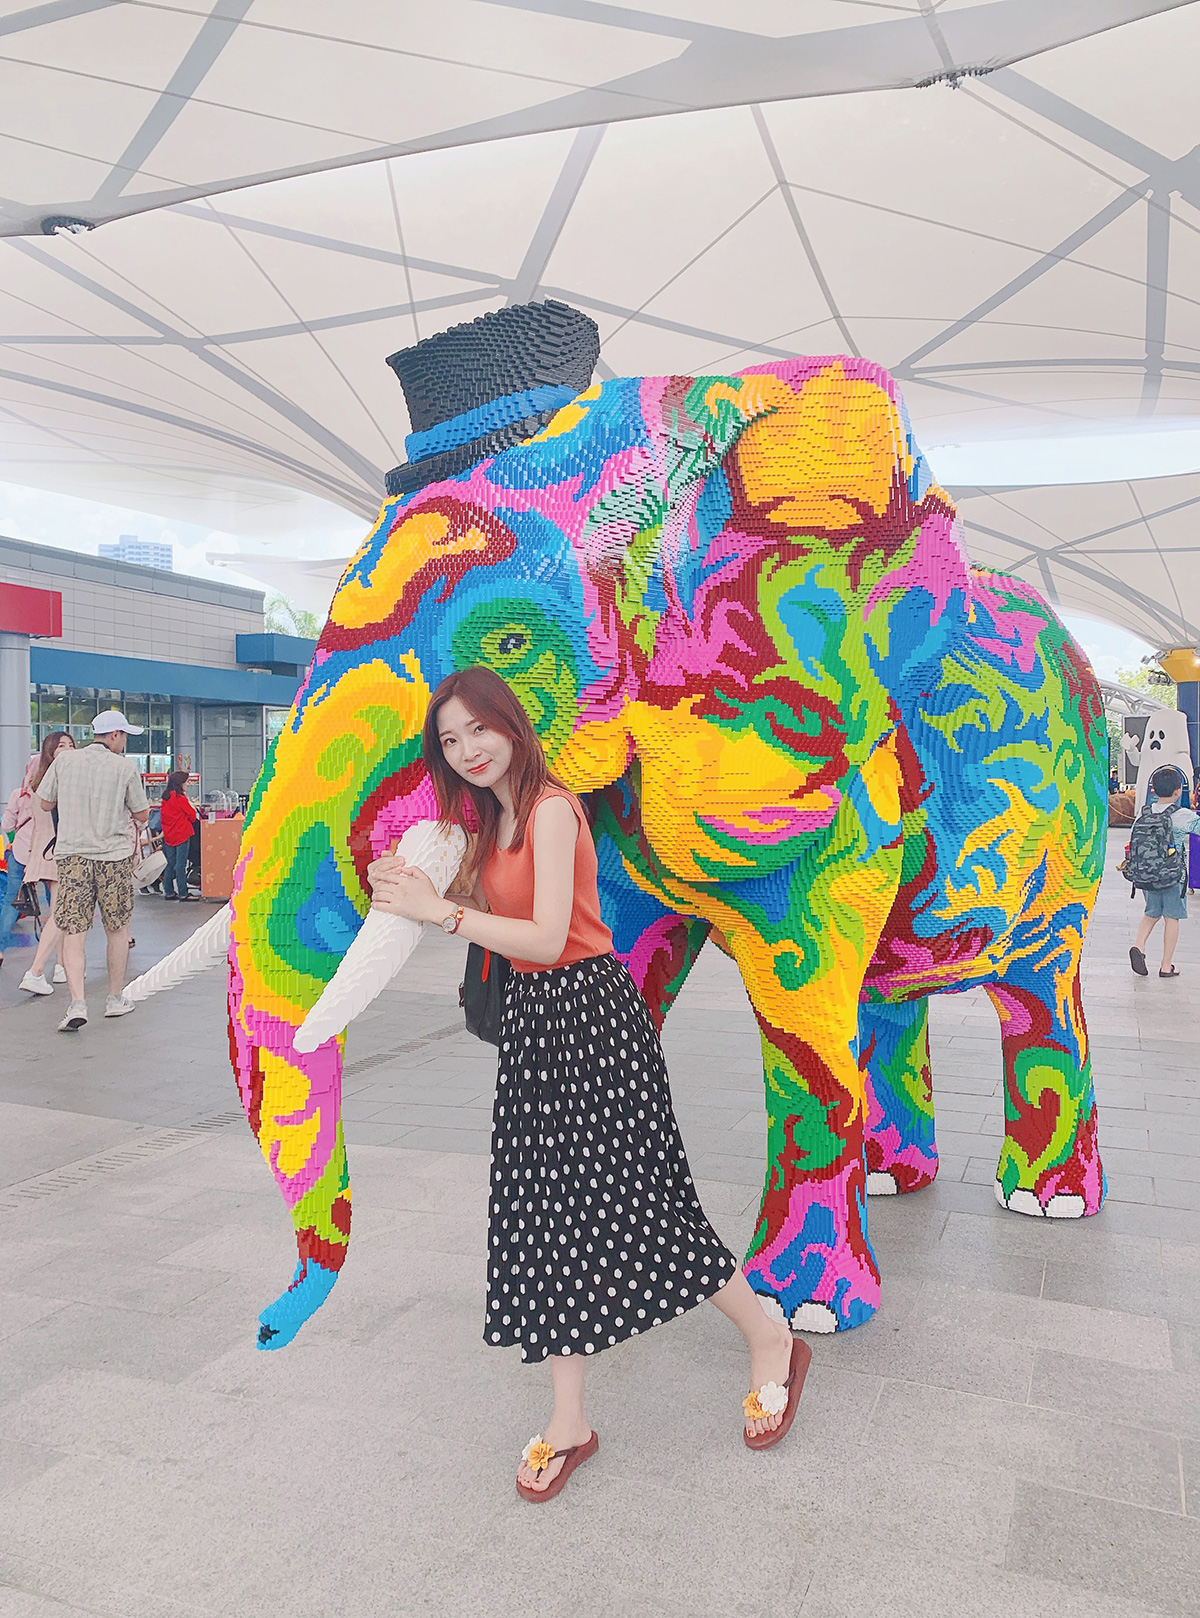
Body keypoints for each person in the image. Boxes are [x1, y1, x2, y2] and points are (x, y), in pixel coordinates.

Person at [368, 666, 808, 1504]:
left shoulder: (553, 810)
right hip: (536, 1032)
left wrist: (440, 912)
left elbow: (540, 936)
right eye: (451, 741)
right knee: (543, 1217)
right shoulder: (487, 822)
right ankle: (569, 1422)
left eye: (478, 730)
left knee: (644, 1205)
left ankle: (769, 1337)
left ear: (511, 723)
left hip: (592, 1022)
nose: (468, 751)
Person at [38, 710, 149, 1030]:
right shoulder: (125, 768)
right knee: (117, 929)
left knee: (74, 931)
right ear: (114, 735)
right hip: (113, 857)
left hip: (73, 857)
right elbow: (142, 815)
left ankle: (77, 1003)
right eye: (124, 735)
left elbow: (44, 803)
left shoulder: (65, 761)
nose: (125, 741)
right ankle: (115, 999)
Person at [15, 731, 76, 994]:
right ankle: (36, 970)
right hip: (59, 852)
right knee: (61, 912)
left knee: (58, 910)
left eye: (72, 744)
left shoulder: (39, 781)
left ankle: (61, 965)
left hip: (47, 852)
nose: (68, 749)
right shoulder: (57, 781)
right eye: (62, 745)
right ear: (50, 751)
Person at [1128, 764, 1200, 979]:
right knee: (1172, 918)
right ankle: (1166, 966)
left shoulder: (1144, 813)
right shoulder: (1182, 815)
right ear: (1178, 791)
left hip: (1146, 874)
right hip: (1172, 876)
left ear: (1154, 790)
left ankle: (1138, 946)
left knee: (1151, 913)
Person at [159, 770, 198, 901]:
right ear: (180, 783)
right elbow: (192, 815)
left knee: (170, 864)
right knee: (181, 865)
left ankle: (169, 891)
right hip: (182, 834)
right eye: (186, 782)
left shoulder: (166, 798)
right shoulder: (180, 799)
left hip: (169, 835)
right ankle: (183, 892)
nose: (188, 784)